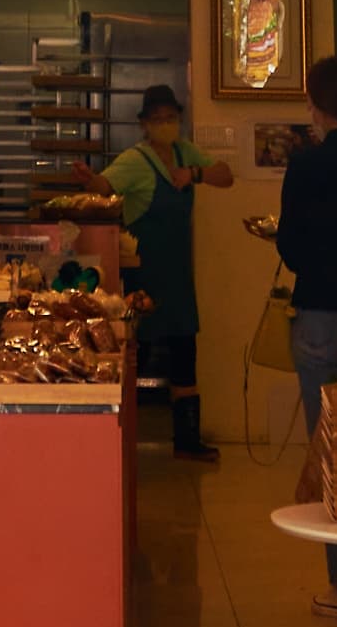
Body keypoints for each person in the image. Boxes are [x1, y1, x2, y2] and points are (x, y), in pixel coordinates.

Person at [259, 55, 337, 610]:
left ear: (316, 106)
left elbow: (292, 247)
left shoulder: (307, 167)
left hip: (321, 317)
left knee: (331, 454)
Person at [89, 80, 231, 455]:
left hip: (179, 274)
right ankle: (117, 436)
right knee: (138, 352)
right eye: (158, 119)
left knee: (185, 350)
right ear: (144, 124)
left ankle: (187, 440)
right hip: (144, 275)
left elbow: (226, 175)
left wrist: (195, 175)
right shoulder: (135, 160)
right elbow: (104, 187)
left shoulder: (187, 153)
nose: (165, 124)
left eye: (171, 118)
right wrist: (88, 181)